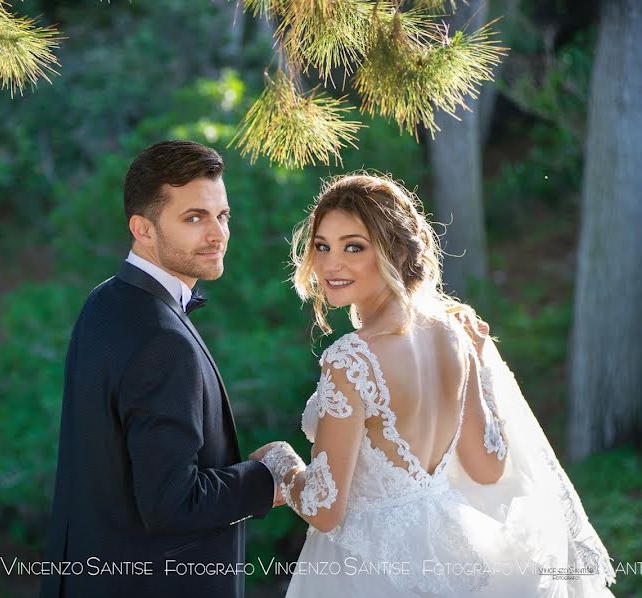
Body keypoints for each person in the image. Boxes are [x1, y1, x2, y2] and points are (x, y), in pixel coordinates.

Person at [252, 173, 616, 597]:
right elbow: (487, 466)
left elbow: (325, 507)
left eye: (354, 246)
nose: (331, 263)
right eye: (322, 246)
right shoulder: (455, 335)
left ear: (398, 251)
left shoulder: (350, 359)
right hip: (455, 552)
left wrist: (281, 462)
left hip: (366, 569)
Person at [40, 140, 278, 598]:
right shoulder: (163, 340)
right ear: (142, 229)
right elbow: (172, 503)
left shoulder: (104, 301)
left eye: (222, 216)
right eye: (194, 218)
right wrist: (267, 479)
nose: (217, 234)